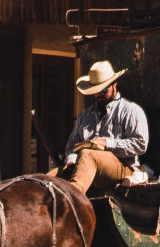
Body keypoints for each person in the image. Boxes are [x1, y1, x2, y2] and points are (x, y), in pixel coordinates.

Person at [59, 60, 149, 194]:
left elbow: (140, 143)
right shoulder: (85, 115)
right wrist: (71, 160)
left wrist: (107, 143)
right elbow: (72, 144)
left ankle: (73, 199)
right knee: (50, 180)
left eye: (104, 89)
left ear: (114, 84)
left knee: (87, 154)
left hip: (123, 167)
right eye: (95, 91)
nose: (99, 94)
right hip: (84, 165)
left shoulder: (130, 110)